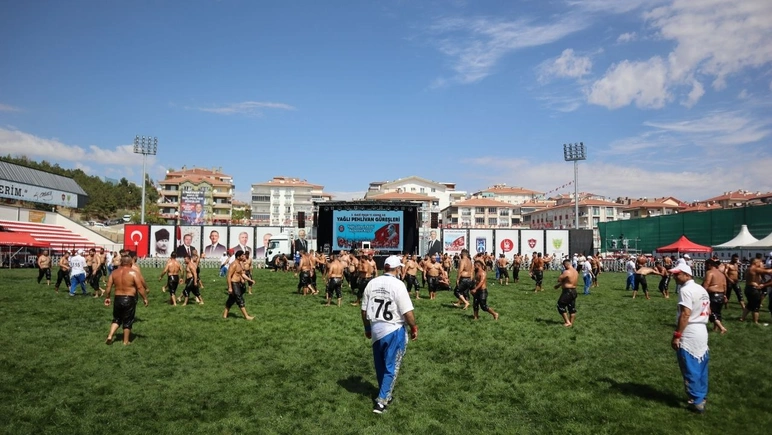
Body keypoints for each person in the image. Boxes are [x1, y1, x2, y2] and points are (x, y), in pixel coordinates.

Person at [360, 255, 417, 414]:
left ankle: (384, 393)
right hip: (393, 328)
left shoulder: (372, 283)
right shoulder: (399, 285)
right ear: (397, 268)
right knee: (391, 365)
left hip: (377, 327)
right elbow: (408, 312)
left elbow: (364, 310)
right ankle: (381, 401)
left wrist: (367, 328)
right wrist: (414, 327)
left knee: (380, 365)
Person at [669, 262, 710, 413]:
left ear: (687, 275)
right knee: (701, 365)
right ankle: (702, 395)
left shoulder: (685, 290)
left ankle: (696, 399)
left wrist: (677, 335)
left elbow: (686, 314)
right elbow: (708, 310)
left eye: (677, 274)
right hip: (702, 329)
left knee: (690, 365)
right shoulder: (701, 289)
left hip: (690, 330)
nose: (674, 277)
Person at [104, 255, 149, 345]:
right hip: (129, 298)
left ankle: (110, 335)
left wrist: (108, 297)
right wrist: (145, 298)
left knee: (116, 319)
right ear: (131, 263)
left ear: (121, 262)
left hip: (118, 298)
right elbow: (140, 287)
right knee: (128, 320)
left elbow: (108, 286)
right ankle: (126, 341)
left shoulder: (114, 272)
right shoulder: (133, 273)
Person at [223, 250, 255, 320]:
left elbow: (242, 274)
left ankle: (225, 315)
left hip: (238, 284)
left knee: (231, 299)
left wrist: (250, 280)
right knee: (239, 299)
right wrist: (230, 287)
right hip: (234, 284)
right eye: (242, 256)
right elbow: (228, 276)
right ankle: (246, 316)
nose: (244, 257)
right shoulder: (234, 264)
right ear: (238, 257)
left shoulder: (240, 264)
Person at [740, 258, 772, 324]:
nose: (761, 263)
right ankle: (756, 322)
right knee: (756, 306)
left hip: (748, 288)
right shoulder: (754, 269)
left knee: (750, 304)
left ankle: (742, 318)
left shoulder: (748, 269)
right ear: (755, 263)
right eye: (759, 262)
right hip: (753, 289)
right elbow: (768, 272)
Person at [703, 259, 727, 334]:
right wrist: (725, 295)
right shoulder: (721, 274)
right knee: (718, 312)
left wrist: (702, 293)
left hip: (713, 295)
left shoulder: (709, 273)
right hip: (721, 294)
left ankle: (721, 328)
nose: (705, 267)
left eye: (706, 265)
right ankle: (715, 328)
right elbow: (725, 286)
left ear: (709, 265)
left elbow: (706, 284)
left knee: (711, 312)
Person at [554, 259, 579, 327]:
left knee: (560, 305)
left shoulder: (566, 272)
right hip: (574, 291)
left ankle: (567, 322)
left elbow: (559, 279)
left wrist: (562, 273)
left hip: (567, 292)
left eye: (564, 266)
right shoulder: (576, 271)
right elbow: (567, 281)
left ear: (566, 265)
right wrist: (558, 286)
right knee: (572, 308)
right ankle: (571, 323)